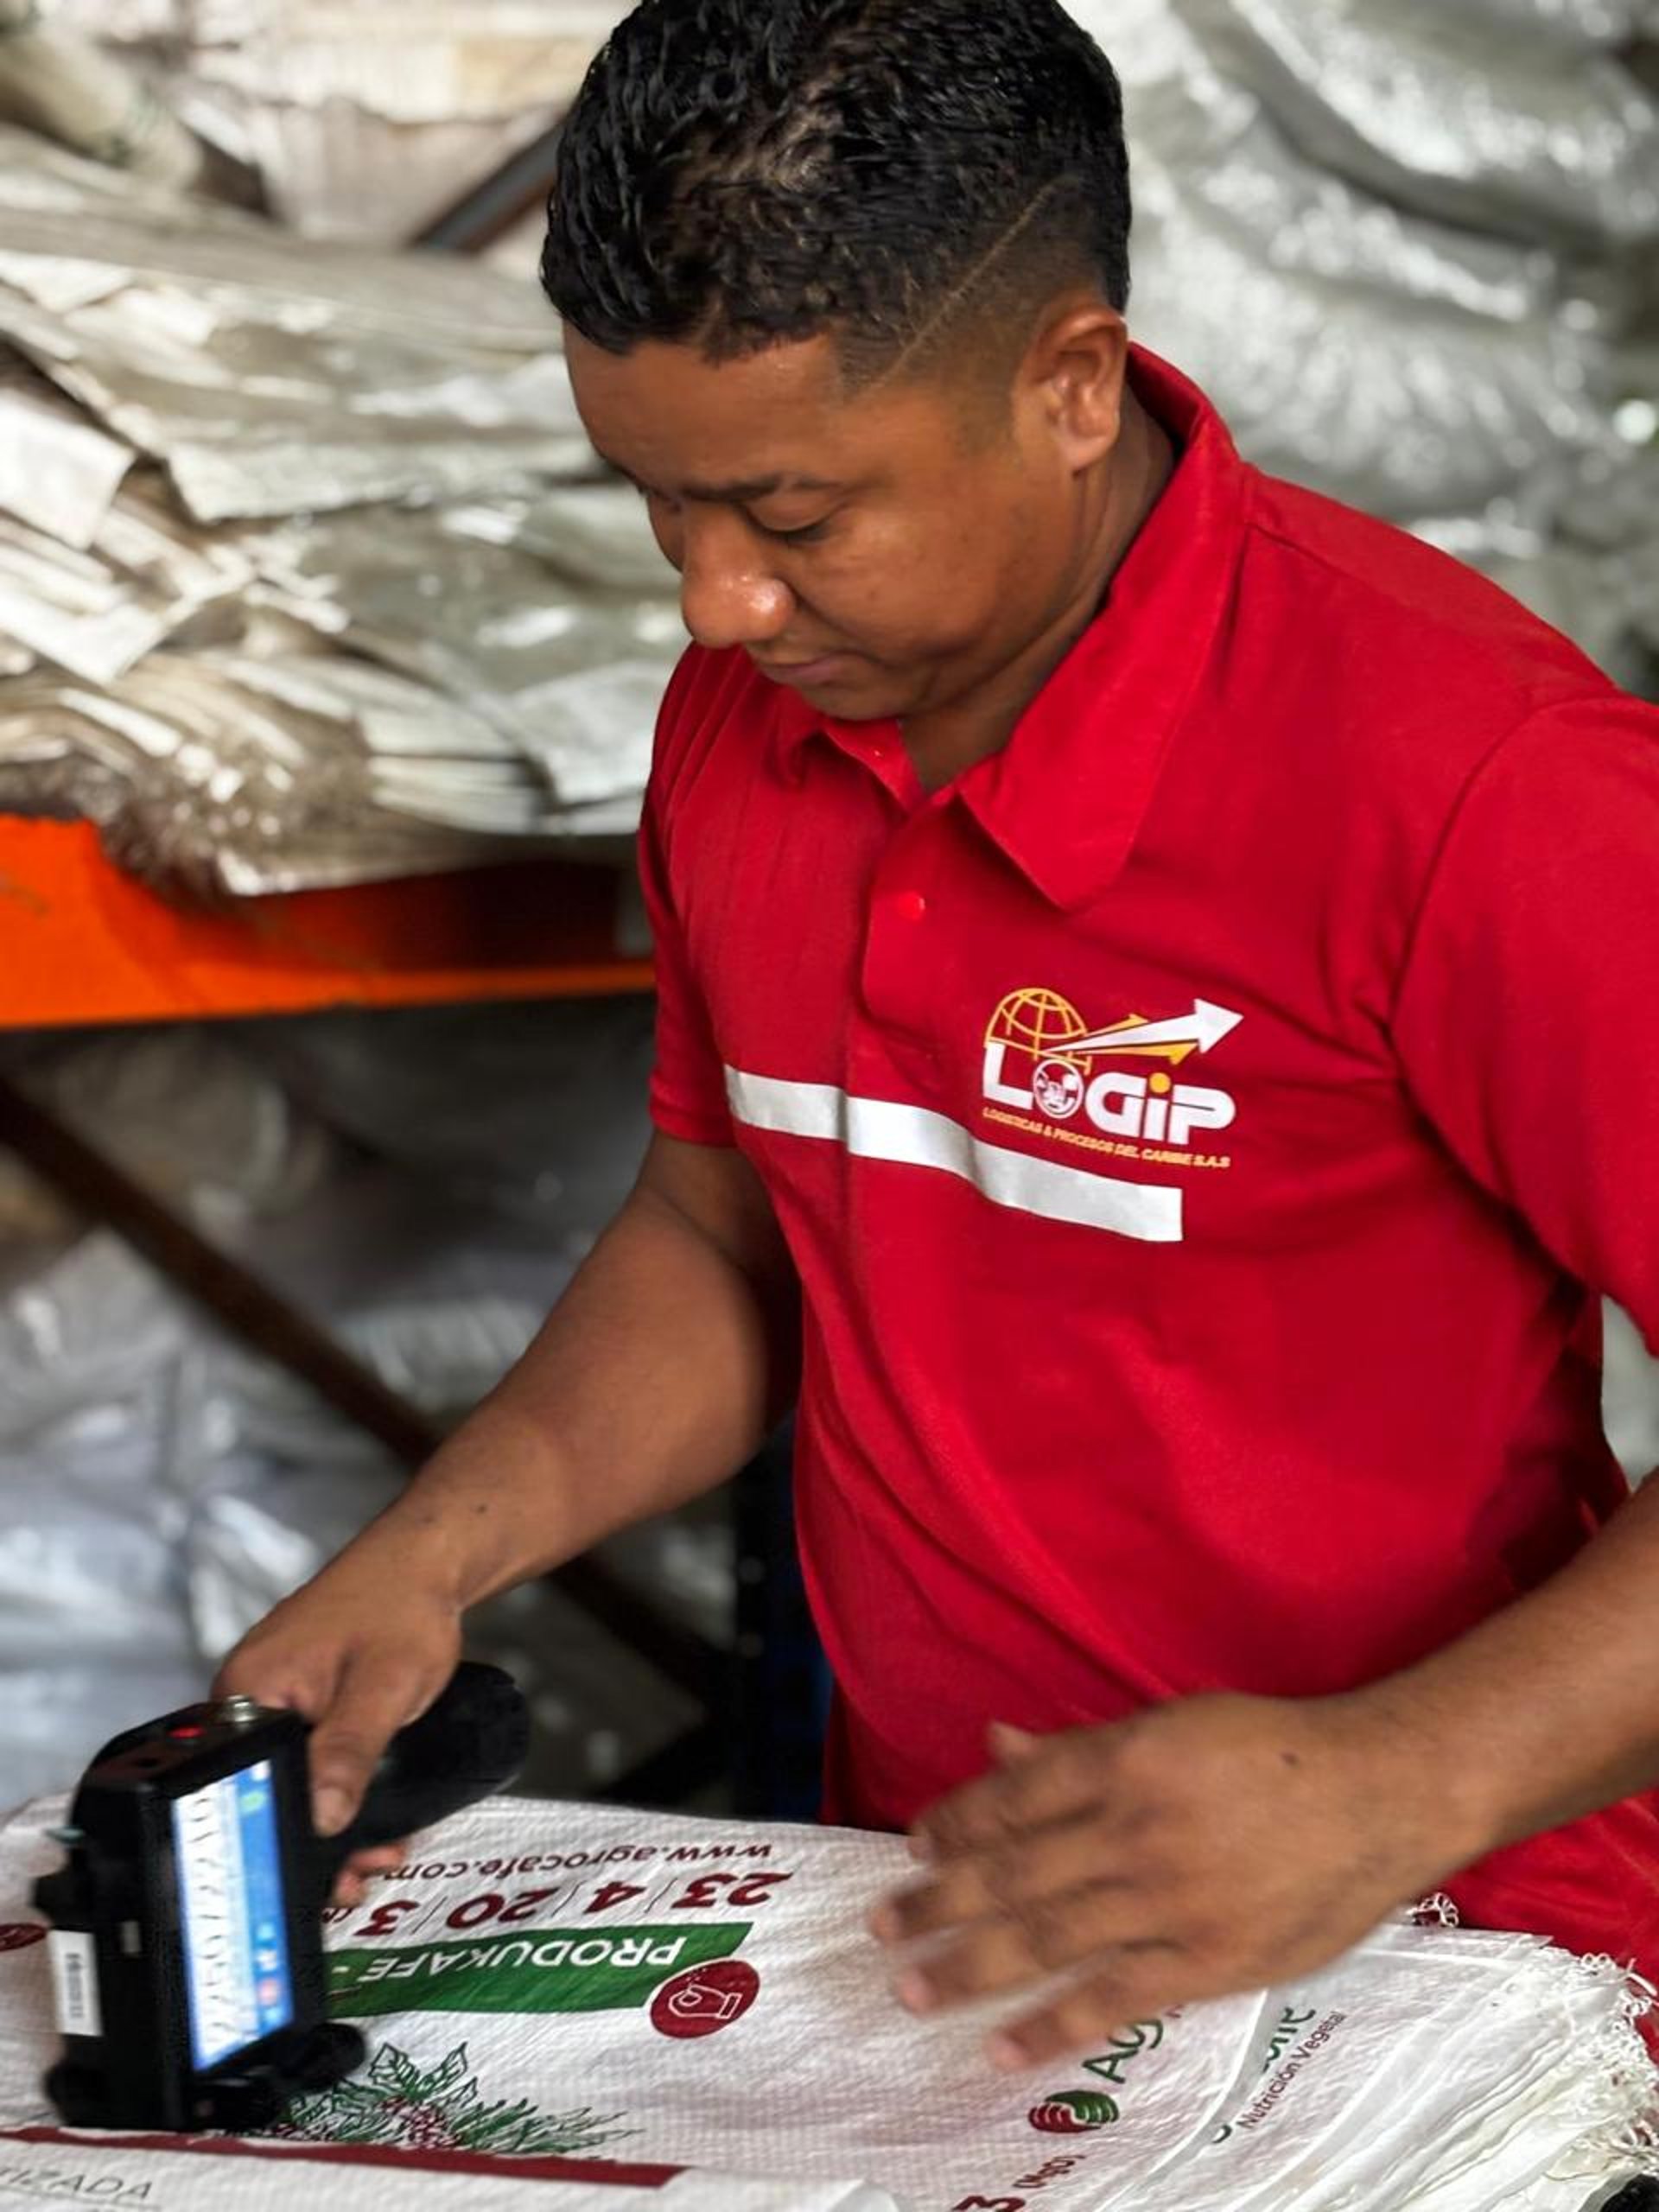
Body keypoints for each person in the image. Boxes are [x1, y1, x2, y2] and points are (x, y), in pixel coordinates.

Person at [219, 0, 1659, 2071]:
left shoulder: (1480, 786)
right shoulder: (747, 724)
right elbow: (728, 1233)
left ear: (1070, 384)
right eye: (661, 505)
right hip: (941, 1947)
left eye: (796, 517)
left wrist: (1392, 1783)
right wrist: (439, 1549)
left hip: (1454, 1969)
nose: (716, 602)